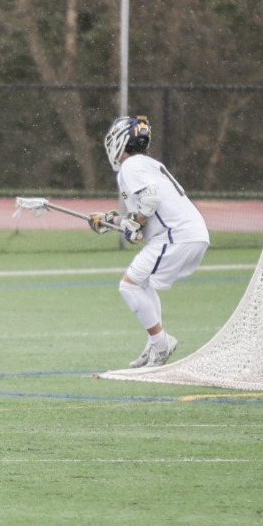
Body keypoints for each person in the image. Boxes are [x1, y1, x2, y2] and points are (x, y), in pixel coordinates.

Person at [89, 115, 209, 368]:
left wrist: (135, 223)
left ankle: (161, 343)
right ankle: (156, 344)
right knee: (142, 284)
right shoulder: (145, 165)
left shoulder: (130, 167)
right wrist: (113, 221)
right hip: (188, 233)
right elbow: (141, 218)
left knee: (129, 286)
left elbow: (150, 202)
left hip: (177, 235)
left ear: (120, 141)